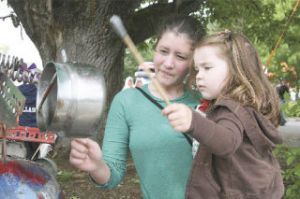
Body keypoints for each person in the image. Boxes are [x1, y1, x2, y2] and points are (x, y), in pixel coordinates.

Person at [69, 15, 205, 199]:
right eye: (163, 51)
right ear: (155, 48)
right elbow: (113, 174)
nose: (168, 63)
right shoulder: (126, 102)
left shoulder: (205, 104)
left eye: (180, 56)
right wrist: (96, 166)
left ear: (193, 62)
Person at [162, 30, 284, 198]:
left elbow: (227, 142)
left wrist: (193, 121)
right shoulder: (243, 106)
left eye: (207, 68)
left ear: (236, 69)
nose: (199, 76)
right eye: (197, 70)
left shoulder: (230, 110)